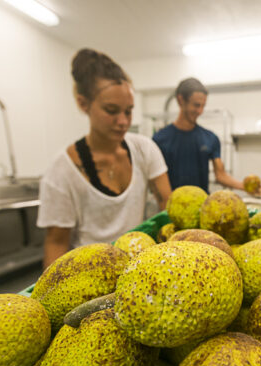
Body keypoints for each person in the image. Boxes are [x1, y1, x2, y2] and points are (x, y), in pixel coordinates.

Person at [37, 48, 171, 267]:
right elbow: (57, 242)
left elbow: (167, 204)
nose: (123, 121)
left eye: (128, 111)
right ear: (83, 104)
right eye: (111, 110)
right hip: (89, 273)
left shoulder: (144, 149)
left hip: (139, 265)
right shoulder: (62, 172)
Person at [153, 77, 244, 193]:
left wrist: (245, 187)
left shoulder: (210, 138)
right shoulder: (160, 139)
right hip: (173, 208)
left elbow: (221, 175)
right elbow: (155, 183)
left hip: (203, 207)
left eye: (203, 106)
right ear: (181, 100)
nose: (200, 111)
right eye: (196, 105)